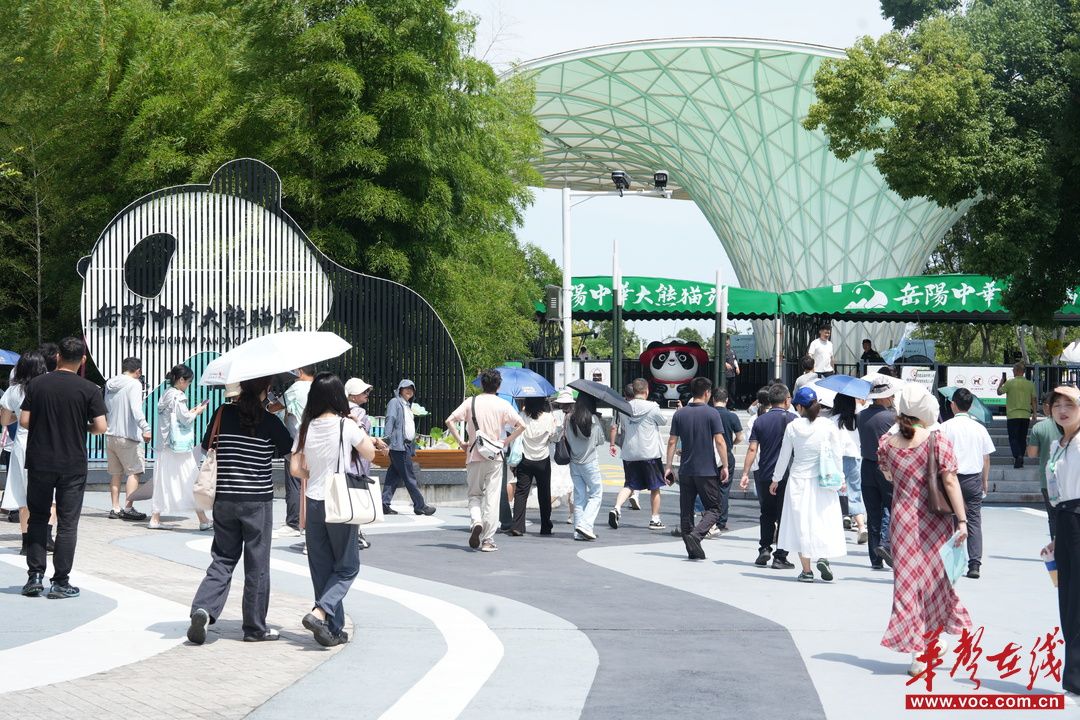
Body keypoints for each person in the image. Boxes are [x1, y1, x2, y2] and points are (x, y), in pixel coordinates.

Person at [187, 376, 293, 644]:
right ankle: (255, 628)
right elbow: (290, 454)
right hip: (257, 501)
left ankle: (204, 608)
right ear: (266, 390)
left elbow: (206, 446)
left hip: (224, 498)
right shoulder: (271, 422)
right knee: (257, 564)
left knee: (223, 557)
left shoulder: (222, 413)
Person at [877, 383, 970, 677]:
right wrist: (963, 520)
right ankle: (927, 646)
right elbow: (950, 481)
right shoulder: (937, 440)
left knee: (907, 584)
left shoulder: (886, 443)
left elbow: (888, 476)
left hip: (902, 519)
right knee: (933, 581)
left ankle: (922, 650)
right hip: (934, 519)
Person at [290, 373, 375, 648]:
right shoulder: (345, 425)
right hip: (338, 501)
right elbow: (370, 453)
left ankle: (332, 629)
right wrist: (356, 425)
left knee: (321, 568)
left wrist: (313, 474)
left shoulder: (306, 427)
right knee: (348, 567)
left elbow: (295, 469)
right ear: (338, 396)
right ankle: (319, 613)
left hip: (313, 501)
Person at [19, 337, 107, 599]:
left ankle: (34, 577)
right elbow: (101, 427)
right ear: (83, 360)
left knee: (37, 517)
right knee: (67, 524)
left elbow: (24, 420)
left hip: (40, 460)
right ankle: (60, 582)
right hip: (72, 463)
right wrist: (82, 427)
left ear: (57, 356)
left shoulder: (37, 384)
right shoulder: (89, 388)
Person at [772, 386, 846, 582]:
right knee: (822, 519)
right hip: (823, 480)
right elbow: (837, 454)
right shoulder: (828, 425)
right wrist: (841, 478)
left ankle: (806, 571)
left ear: (798, 406)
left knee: (800, 525)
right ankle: (823, 557)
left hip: (798, 479)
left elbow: (784, 456)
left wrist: (776, 479)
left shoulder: (792, 427)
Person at [446, 370, 522, 552]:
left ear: (481, 384)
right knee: (492, 498)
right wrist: (505, 441)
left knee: (474, 495)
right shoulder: (503, 405)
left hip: (474, 455)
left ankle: (476, 521)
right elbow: (522, 425)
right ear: (499, 386)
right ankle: (488, 540)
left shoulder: (471, 402)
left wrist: (461, 443)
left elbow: (449, 420)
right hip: (495, 456)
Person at [1041, 386, 1080, 695]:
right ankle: (1073, 677)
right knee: (1067, 598)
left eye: (1070, 404)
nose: (1063, 410)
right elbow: (1057, 492)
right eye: (1057, 405)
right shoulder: (1058, 444)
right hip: (1065, 521)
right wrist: (1055, 537)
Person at [665, 377, 728, 560]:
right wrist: (725, 465)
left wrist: (668, 467)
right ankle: (696, 536)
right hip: (706, 469)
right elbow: (720, 441)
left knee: (686, 511)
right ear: (707, 393)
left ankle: (691, 549)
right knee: (714, 508)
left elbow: (672, 442)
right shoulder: (712, 413)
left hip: (685, 469)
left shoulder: (680, 414)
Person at [938, 388, 994, 579]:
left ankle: (952, 564)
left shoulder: (945, 427)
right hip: (973, 478)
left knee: (950, 520)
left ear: (952, 404)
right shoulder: (979, 428)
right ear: (970, 406)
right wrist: (985, 480)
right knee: (974, 520)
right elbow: (986, 458)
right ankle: (974, 563)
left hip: (950, 478)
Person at [740, 383, 797, 569]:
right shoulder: (793, 420)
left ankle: (764, 548)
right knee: (784, 515)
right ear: (787, 400)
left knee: (766, 513)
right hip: (786, 475)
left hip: (765, 473)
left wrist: (745, 473)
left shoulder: (760, 421)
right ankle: (780, 556)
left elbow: (752, 448)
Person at [149, 364, 211, 530]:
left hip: (164, 445)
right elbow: (185, 419)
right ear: (182, 380)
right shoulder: (179, 396)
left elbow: (177, 416)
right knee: (190, 478)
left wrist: (190, 411)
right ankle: (203, 519)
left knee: (162, 481)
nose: (188, 385)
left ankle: (155, 518)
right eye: (188, 382)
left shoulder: (166, 394)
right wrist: (197, 411)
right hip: (178, 446)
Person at [0, 351, 47, 556]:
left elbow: (3, 420)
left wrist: (17, 418)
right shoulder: (47, 387)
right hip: (46, 443)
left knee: (22, 495)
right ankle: (44, 538)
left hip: (22, 442)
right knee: (46, 494)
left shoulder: (13, 390)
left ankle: (26, 542)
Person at [608, 378, 668, 531]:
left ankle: (616, 508)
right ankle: (655, 519)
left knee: (630, 484)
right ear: (647, 391)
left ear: (633, 391)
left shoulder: (624, 408)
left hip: (630, 453)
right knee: (655, 487)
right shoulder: (653, 407)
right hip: (650, 453)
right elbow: (663, 421)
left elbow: (622, 426)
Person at [104, 357, 152, 522]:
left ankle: (115, 508)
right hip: (128, 436)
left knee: (116, 473)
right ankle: (128, 508)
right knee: (134, 471)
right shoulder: (134, 384)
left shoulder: (110, 384)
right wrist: (146, 428)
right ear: (138, 371)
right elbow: (136, 409)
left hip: (111, 435)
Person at [381, 379, 436, 517]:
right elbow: (390, 420)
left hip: (404, 446)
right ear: (400, 389)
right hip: (398, 446)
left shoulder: (406, 405)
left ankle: (384, 504)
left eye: (411, 389)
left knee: (393, 476)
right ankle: (420, 506)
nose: (409, 390)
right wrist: (386, 441)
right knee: (409, 476)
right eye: (406, 388)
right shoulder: (395, 402)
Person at [859, 375, 898, 570]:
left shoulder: (861, 416)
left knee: (872, 512)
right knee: (891, 506)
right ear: (884, 397)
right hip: (886, 467)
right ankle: (885, 543)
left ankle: (875, 558)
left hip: (866, 466)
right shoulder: (892, 418)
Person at [505, 397, 557, 535]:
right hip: (543, 459)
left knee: (521, 493)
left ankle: (517, 526)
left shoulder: (521, 416)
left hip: (525, 458)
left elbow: (514, 433)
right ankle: (545, 526)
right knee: (544, 493)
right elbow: (554, 438)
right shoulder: (548, 417)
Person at [276, 365, 315, 538]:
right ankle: (311, 521)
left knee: (294, 483)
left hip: (298, 442)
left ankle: (294, 522)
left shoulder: (296, 388)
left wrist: (271, 401)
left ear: (300, 371)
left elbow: (274, 408)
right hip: (318, 442)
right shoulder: (320, 387)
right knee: (313, 482)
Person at [345, 377, 384, 550]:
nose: (367, 394)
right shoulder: (358, 412)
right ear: (353, 395)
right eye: (364, 392)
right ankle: (356, 535)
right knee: (357, 497)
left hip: (347, 459)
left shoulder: (341, 410)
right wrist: (375, 440)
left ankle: (351, 534)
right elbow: (360, 437)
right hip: (359, 460)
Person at [564, 393, 606, 541]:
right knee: (596, 494)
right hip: (590, 462)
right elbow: (601, 440)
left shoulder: (569, 418)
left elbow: (566, 437)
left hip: (574, 462)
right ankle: (585, 525)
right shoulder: (593, 420)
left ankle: (578, 531)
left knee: (579, 496)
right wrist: (599, 422)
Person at [831, 394, 867, 543]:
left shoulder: (833, 421)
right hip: (856, 457)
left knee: (836, 492)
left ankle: (838, 525)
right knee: (855, 492)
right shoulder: (858, 419)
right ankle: (861, 527)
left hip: (837, 459)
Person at [1028, 395, 1062, 539]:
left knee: (1053, 516)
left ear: (1047, 407)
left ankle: (1056, 545)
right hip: (1072, 479)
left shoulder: (1039, 427)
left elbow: (1032, 454)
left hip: (1049, 479)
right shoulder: (1073, 425)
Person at [711, 386, 743, 532]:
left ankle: (710, 518)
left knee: (711, 488)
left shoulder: (709, 414)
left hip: (710, 454)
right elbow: (740, 437)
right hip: (727, 455)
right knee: (724, 489)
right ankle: (721, 521)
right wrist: (731, 444)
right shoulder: (732, 416)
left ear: (713, 399)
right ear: (727, 400)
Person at [997, 362, 1037, 468]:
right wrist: (1035, 413)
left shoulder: (1010, 383)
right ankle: (1021, 457)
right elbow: (1033, 399)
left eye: (1013, 370)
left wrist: (1001, 383)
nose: (1013, 372)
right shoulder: (1030, 384)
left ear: (1017, 371)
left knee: (1013, 438)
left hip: (1013, 415)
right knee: (1022, 438)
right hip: (1025, 415)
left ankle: (1018, 456)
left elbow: (999, 392)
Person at [550, 389, 575, 523]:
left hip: (557, 454)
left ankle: (545, 510)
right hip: (571, 453)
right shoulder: (575, 415)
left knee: (555, 485)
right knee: (571, 486)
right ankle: (571, 515)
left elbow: (552, 435)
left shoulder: (554, 415)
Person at [723, 336, 740, 408]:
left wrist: (737, 367)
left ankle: (732, 406)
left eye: (728, 340)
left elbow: (735, 360)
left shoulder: (732, 351)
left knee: (732, 391)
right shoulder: (722, 351)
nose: (726, 342)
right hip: (725, 375)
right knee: (725, 391)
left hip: (732, 374)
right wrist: (725, 363)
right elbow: (719, 359)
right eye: (725, 340)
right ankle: (724, 405)